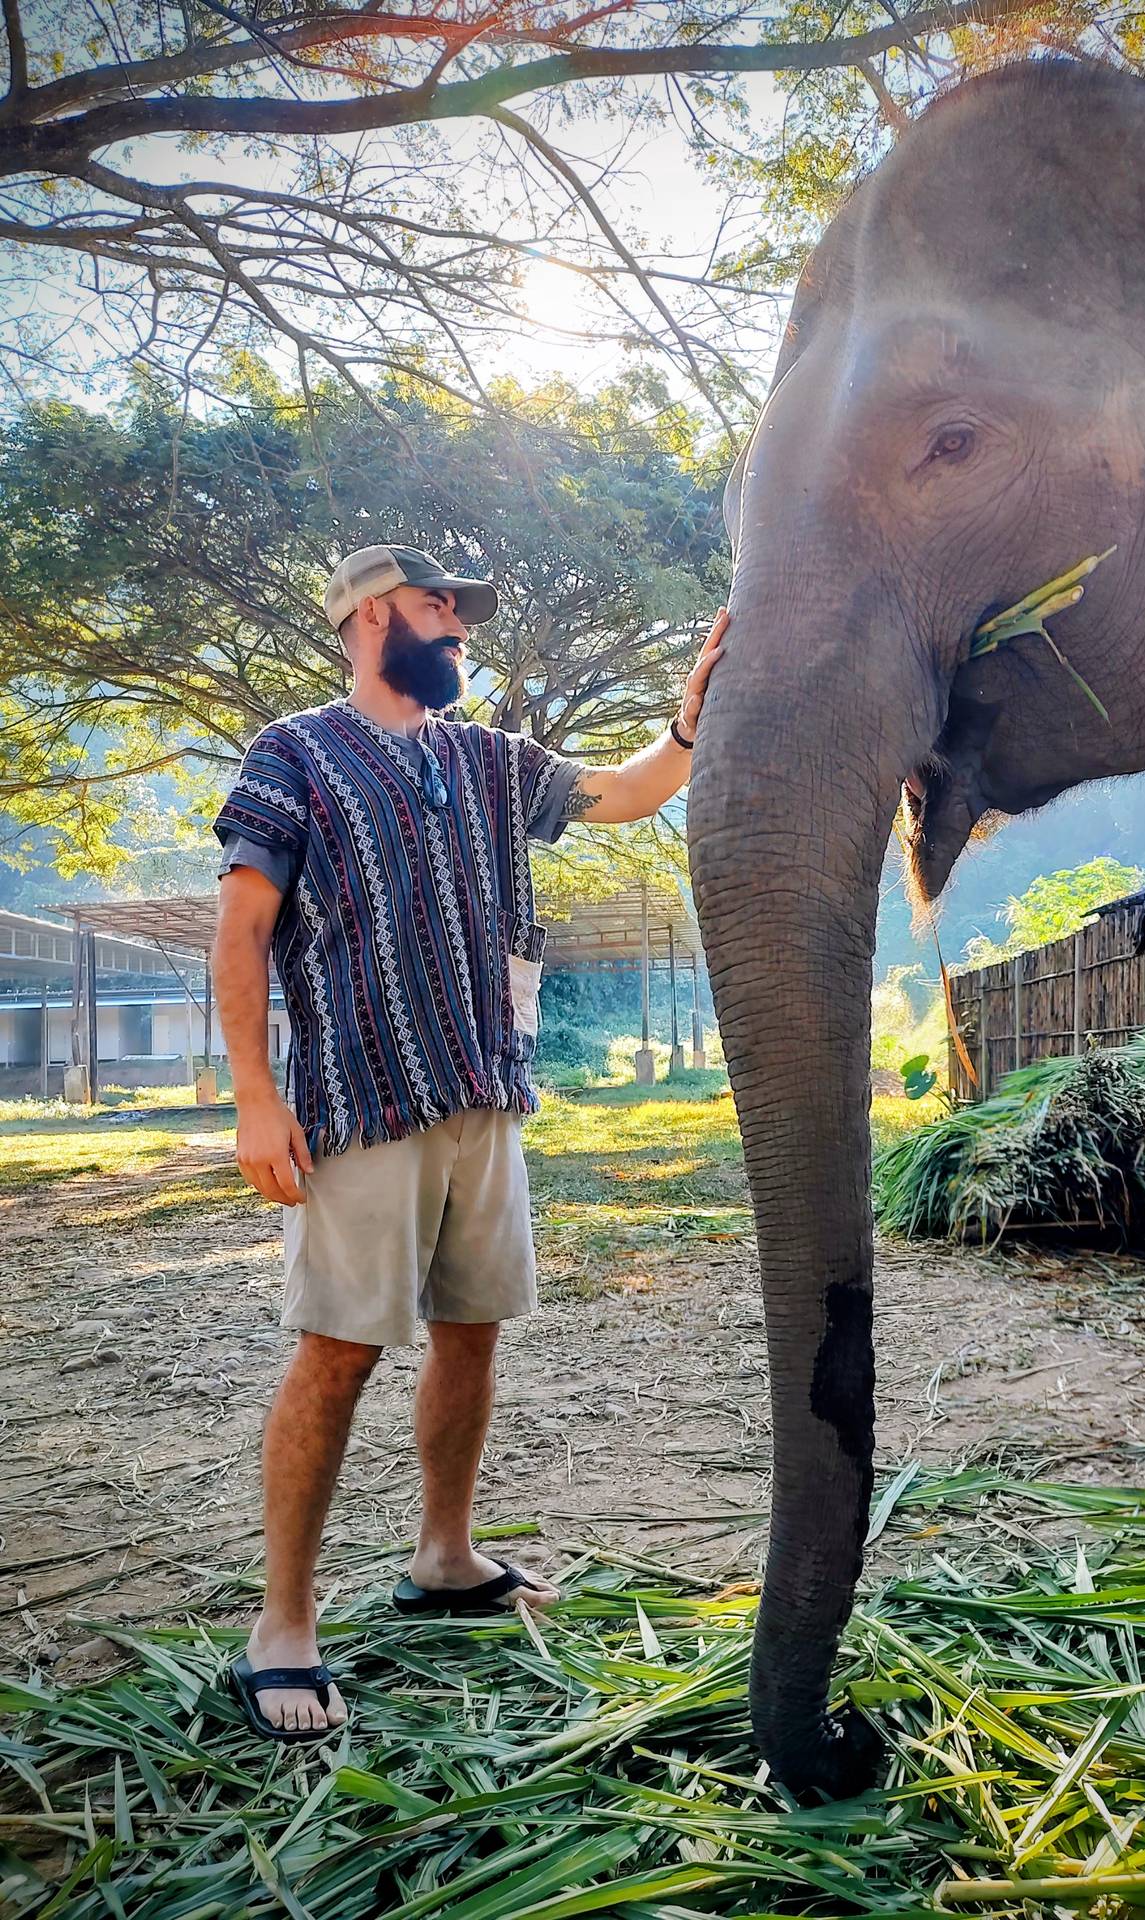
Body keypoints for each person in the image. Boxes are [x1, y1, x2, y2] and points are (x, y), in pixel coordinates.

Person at [212, 542, 725, 1742]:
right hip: (362, 1102)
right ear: (370, 614)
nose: (457, 624)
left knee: (473, 1332)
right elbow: (241, 933)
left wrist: (689, 721)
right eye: (438, 605)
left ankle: (445, 1557)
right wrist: (254, 1098)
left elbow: (627, 792)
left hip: (484, 1095)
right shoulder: (293, 754)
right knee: (338, 1355)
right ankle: (281, 1627)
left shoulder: (492, 761)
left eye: (460, 611)